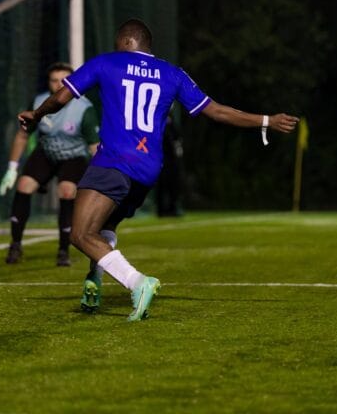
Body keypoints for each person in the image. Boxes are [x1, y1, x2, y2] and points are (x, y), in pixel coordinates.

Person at [18, 19, 299, 321]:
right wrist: (266, 120)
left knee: (81, 233)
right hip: (148, 170)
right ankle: (95, 279)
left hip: (113, 162)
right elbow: (216, 111)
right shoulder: (172, 73)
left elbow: (61, 97)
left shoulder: (106, 62)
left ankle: (138, 283)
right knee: (106, 227)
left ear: (124, 41)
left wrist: (36, 114)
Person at [0, 62, 99, 266]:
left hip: (74, 156)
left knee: (66, 190)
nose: (59, 85)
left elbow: (94, 147)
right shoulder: (39, 102)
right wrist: (12, 168)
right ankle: (15, 245)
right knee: (24, 185)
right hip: (46, 152)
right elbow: (23, 135)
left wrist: (100, 177)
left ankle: (63, 250)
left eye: (64, 81)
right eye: (54, 81)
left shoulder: (84, 108)